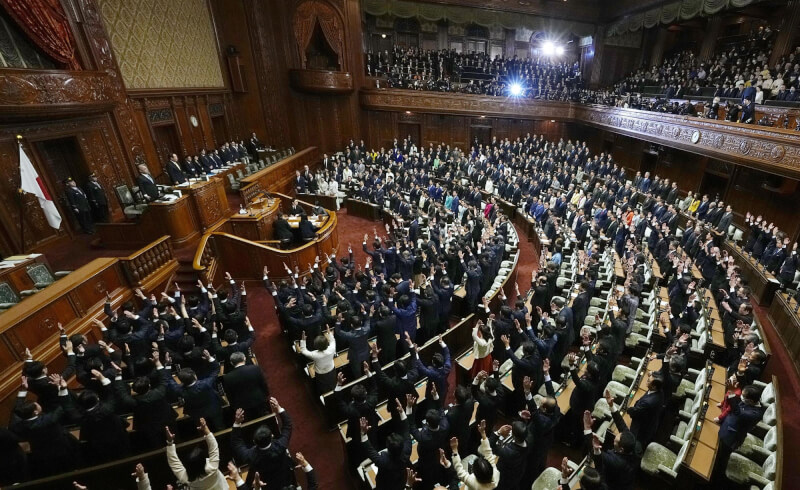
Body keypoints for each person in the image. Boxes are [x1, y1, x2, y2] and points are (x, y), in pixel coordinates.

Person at [231, 399, 294, 489]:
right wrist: (278, 408)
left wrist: (237, 422)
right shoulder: (281, 445)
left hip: (265, 484)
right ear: (272, 436)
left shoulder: (250, 456)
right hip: (284, 478)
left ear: (254, 441)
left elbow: (236, 443)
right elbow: (288, 425)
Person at [713, 384, 765, 483]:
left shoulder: (756, 414)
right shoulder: (751, 402)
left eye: (743, 397)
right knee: (716, 451)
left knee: (721, 457)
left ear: (751, 401)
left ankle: (717, 478)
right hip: (725, 427)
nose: (742, 397)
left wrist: (731, 394)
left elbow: (738, 413)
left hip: (731, 438)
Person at [166, 419, 227, 489]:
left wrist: (170, 442)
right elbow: (214, 447)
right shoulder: (212, 468)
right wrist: (206, 429)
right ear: (203, 462)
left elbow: (173, 462)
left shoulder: (185, 478)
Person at [223, 351, 270, 419]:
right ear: (244, 358)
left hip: (242, 406)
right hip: (259, 400)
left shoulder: (227, 377)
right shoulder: (255, 368)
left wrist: (234, 406)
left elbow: (229, 394)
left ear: (231, 363)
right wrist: (266, 395)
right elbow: (263, 383)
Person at [298, 327, 337, 394]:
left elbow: (303, 350)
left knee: (323, 387)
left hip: (320, 374)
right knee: (333, 383)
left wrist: (303, 340)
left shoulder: (314, 354)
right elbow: (332, 340)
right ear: (327, 343)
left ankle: (325, 396)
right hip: (331, 370)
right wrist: (329, 333)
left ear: (315, 346)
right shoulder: (332, 348)